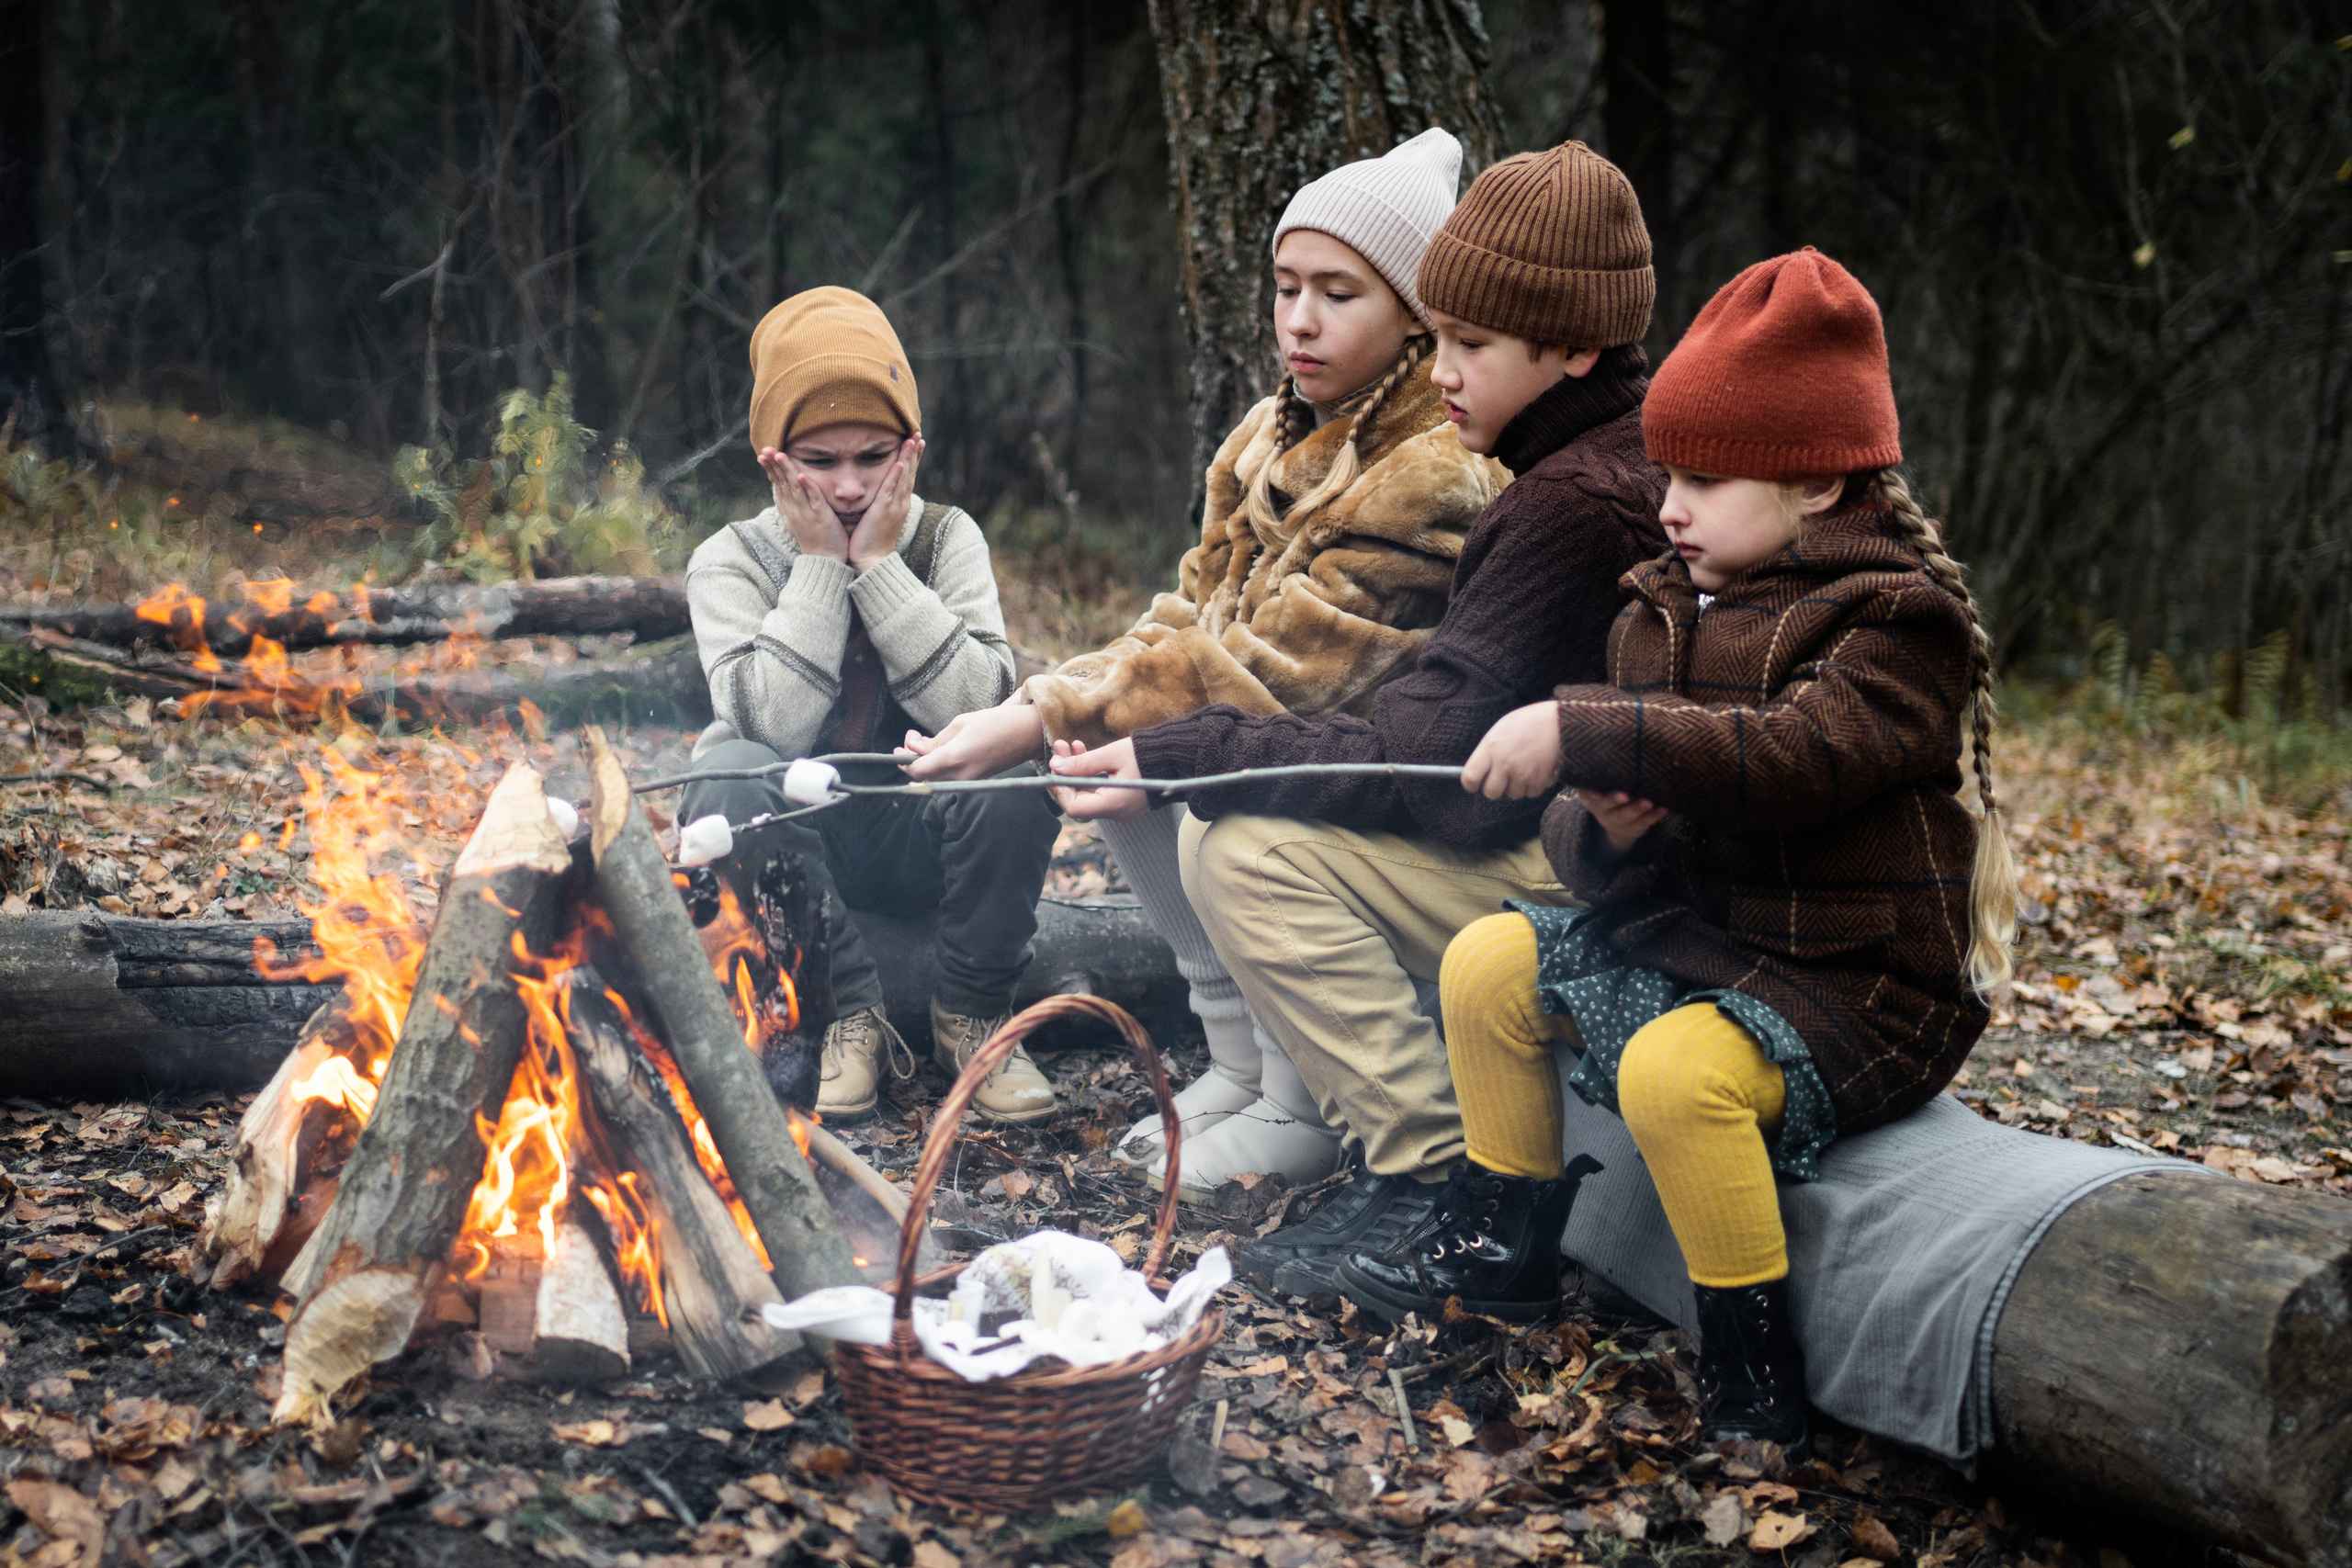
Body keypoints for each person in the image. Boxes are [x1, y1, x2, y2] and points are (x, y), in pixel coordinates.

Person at [1334, 249, 2020, 1454]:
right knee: (1490, 959)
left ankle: (1755, 1362)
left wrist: (1589, 728)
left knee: (1669, 1073)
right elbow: (1593, 816)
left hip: (1851, 978)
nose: (1671, 505)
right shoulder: (1662, 599)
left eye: (1705, 478)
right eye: (1667, 473)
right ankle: (1502, 1249)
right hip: (1707, 938)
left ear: (1815, 485)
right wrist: (1603, 820)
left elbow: (1799, 753)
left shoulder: (1898, 623)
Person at [1046, 142, 1667, 1292]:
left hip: (1622, 891)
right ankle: (1291, 1103)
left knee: (1246, 848)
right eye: (1444, 337)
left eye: (1471, 346)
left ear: (1576, 348)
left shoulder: (1566, 503)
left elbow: (1436, 770)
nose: (1444, 371)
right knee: (1229, 803)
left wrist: (1194, 750)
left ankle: (1436, 1181)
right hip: (1620, 857)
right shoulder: (1598, 459)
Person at [903, 129, 1506, 1193]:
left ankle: (1298, 1098)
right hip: (1286, 745)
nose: (1300, 320)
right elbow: (1189, 616)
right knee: (1113, 746)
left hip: (1379, 785)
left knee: (1185, 759)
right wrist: (1061, 707)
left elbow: (1280, 679)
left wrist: (1036, 713)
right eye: (1285, 288)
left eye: (1339, 293)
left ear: (1416, 316)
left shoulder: (1435, 473)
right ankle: (1234, 1058)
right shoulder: (1268, 436)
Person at [680, 286, 1063, 1125]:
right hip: (788, 848)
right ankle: (843, 1012)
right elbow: (764, 731)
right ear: (772, 459)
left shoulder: (944, 538)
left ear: (911, 450)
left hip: (914, 828)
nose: (850, 487)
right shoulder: (730, 559)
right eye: (820, 461)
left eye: (874, 457)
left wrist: (882, 568)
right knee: (725, 772)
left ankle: (973, 1012)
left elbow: (981, 701)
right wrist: (820, 567)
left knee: (1019, 753)